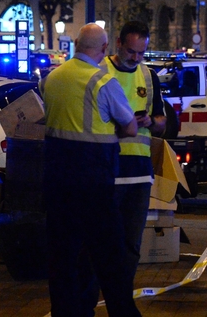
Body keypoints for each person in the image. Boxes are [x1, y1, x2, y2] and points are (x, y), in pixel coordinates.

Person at [40, 23, 141, 317]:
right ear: (104, 48)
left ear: (75, 44)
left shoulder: (51, 78)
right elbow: (131, 127)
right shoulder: (103, 82)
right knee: (110, 260)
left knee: (62, 260)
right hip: (94, 185)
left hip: (57, 184)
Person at [97, 21, 166, 290]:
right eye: (131, 52)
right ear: (118, 43)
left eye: (141, 53)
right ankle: (97, 291)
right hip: (108, 169)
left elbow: (162, 121)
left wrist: (151, 121)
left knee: (131, 243)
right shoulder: (100, 71)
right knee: (102, 239)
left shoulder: (148, 76)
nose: (136, 58)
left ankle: (121, 294)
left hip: (138, 171)